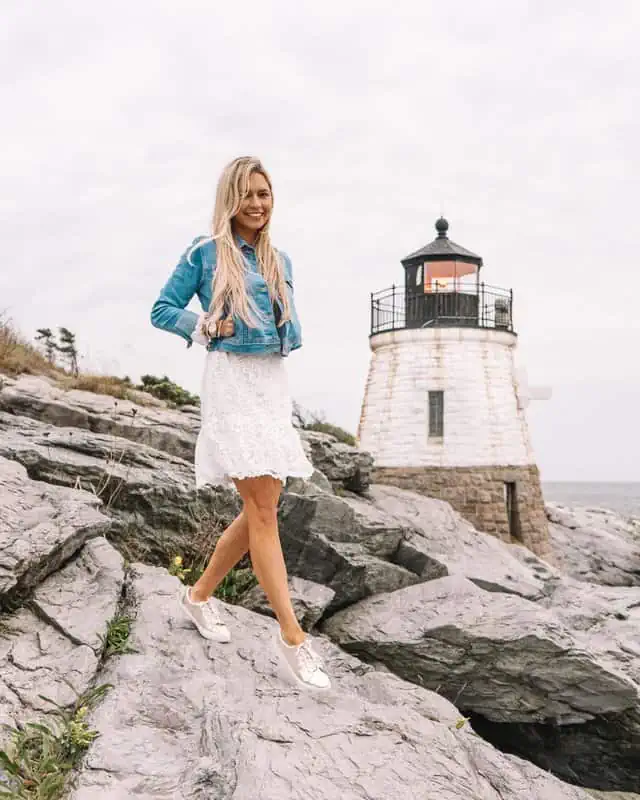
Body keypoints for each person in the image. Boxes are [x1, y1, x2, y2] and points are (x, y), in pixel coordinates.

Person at [150, 156, 331, 690]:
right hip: (230, 381)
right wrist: (207, 324)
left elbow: (291, 331)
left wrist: (285, 323)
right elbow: (162, 309)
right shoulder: (204, 254)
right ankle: (293, 639)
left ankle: (198, 595)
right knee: (264, 512)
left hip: (270, 384)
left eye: (265, 194)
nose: (258, 204)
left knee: (262, 508)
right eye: (248, 194)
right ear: (231, 198)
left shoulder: (282, 260)